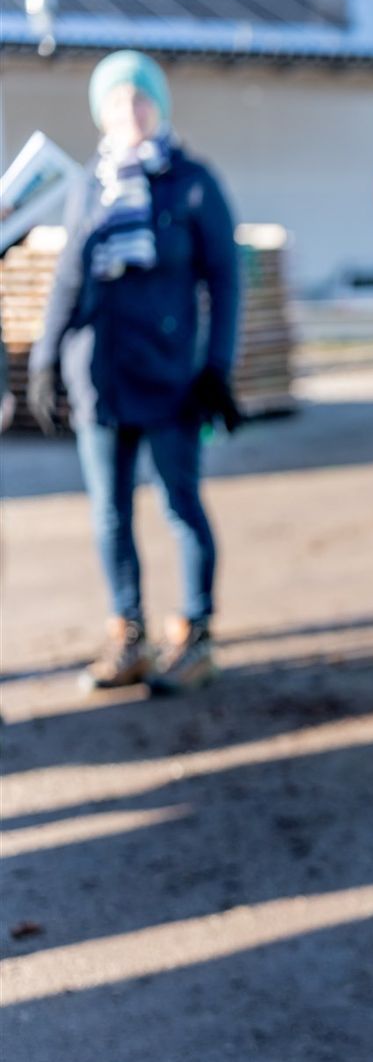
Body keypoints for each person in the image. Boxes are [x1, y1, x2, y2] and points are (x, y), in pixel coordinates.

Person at [28, 50, 241, 693]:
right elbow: (69, 275)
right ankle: (129, 635)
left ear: (160, 106)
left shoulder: (194, 181)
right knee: (108, 515)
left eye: (141, 98)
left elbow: (225, 281)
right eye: (118, 101)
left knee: (180, 504)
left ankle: (197, 636)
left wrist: (217, 369)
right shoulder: (87, 184)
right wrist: (44, 357)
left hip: (171, 376)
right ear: (102, 112)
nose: (131, 111)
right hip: (99, 376)